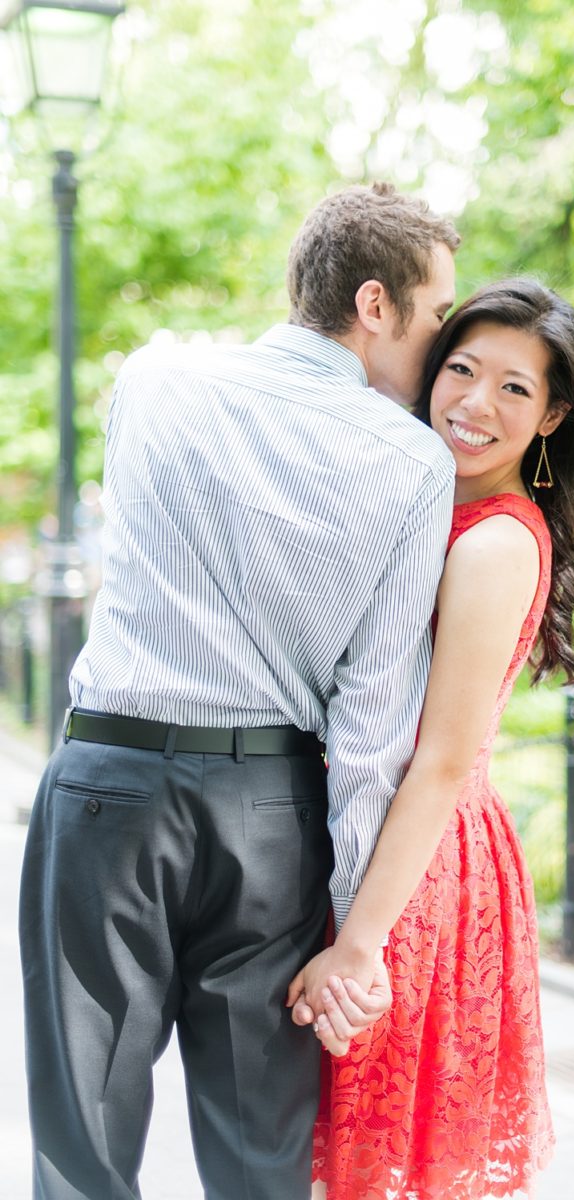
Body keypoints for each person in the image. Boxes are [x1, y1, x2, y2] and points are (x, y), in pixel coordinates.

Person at [18, 182, 460, 1200]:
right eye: (435, 313)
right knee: (260, 1153)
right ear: (375, 306)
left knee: (79, 1146)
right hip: (268, 812)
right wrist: (354, 935)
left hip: (108, 786)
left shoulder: (157, 378)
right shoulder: (413, 463)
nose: (441, 345)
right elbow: (371, 722)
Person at [289, 278, 574, 1199]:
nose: (474, 404)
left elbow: (443, 759)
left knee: (372, 1164)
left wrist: (360, 945)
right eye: (460, 370)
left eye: (514, 388)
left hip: (421, 868)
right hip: (389, 840)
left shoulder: (496, 542)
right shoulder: (431, 509)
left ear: (551, 417)